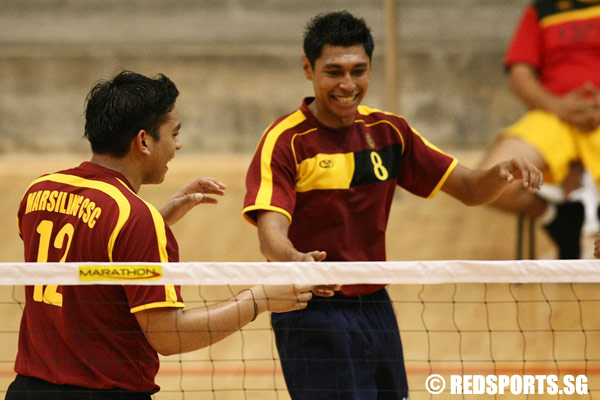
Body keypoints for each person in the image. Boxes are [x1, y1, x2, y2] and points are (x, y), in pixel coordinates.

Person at [242, 10, 543, 400]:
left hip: (375, 304)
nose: (348, 84)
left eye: (359, 70)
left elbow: (469, 189)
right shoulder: (285, 141)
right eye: (334, 71)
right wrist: (296, 260)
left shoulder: (389, 132)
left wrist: (501, 172)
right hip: (311, 307)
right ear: (308, 68)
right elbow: (270, 237)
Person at [6, 70, 317, 400]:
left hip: (27, 390)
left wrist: (156, 220)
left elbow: (79, 252)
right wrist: (260, 299)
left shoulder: (38, 190)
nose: (178, 144)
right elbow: (169, 336)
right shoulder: (134, 218)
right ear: (143, 141)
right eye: (174, 134)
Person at [478, 0, 600, 259]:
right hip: (553, 116)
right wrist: (558, 107)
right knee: (488, 181)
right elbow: (519, 75)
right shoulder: (542, 9)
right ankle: (559, 220)